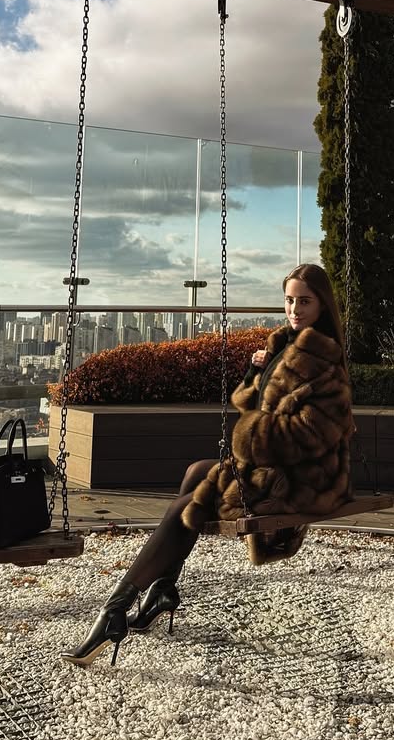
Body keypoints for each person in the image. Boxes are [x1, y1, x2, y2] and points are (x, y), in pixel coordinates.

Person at [61, 262, 355, 667]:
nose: (294, 309)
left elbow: (313, 435)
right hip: (276, 464)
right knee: (196, 473)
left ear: (321, 305)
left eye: (304, 301)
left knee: (187, 506)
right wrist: (255, 372)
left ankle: (114, 610)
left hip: (304, 477)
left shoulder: (324, 361)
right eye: (289, 300)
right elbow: (249, 402)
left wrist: (251, 436)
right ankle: (162, 589)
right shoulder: (283, 344)